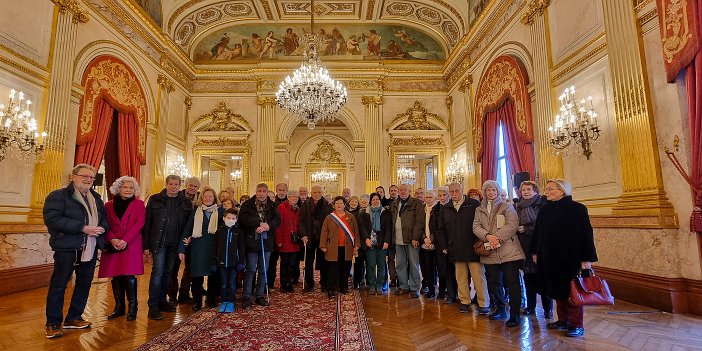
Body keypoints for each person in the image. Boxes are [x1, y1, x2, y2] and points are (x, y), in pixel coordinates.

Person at [43, 164, 108, 339]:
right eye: (84, 176)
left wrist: (101, 228)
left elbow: (103, 219)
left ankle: (74, 318)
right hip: (67, 247)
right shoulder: (58, 196)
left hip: (91, 247)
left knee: (84, 284)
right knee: (59, 286)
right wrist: (82, 228)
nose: (88, 180)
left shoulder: (96, 198)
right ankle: (53, 323)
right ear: (73, 176)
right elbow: (53, 220)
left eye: (91, 178)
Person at [533, 179, 597, 337]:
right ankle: (563, 320)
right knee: (557, 290)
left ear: (562, 191)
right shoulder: (545, 210)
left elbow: (586, 235)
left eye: (550, 189)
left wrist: (586, 258)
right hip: (550, 257)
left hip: (571, 258)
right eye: (546, 189)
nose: (546, 192)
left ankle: (576, 324)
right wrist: (535, 251)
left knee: (572, 292)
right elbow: (538, 233)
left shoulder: (578, 209)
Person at [473, 180, 524, 328]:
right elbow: (476, 226)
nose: (491, 193)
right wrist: (488, 236)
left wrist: (496, 238)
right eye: (488, 190)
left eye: (494, 190)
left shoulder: (507, 206)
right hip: (490, 252)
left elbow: (512, 225)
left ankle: (514, 314)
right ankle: (500, 309)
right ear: (484, 192)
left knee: (512, 283)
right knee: (494, 283)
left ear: (498, 191)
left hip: (509, 250)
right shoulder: (479, 209)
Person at [143, 175, 193, 320]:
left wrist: (184, 243)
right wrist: (146, 246)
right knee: (157, 272)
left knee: (169, 273)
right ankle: (153, 306)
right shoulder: (155, 199)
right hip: (159, 243)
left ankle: (162, 301)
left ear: (180, 185)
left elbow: (188, 225)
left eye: (176, 184)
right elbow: (148, 223)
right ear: (166, 184)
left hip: (175, 245)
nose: (174, 187)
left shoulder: (185, 202)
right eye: (171, 184)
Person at [437, 183, 491, 314]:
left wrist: (480, 241)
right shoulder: (446, 207)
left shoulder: (473, 204)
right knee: (460, 277)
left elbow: (482, 224)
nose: (454, 193)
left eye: (457, 191)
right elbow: (441, 229)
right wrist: (444, 245)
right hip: (455, 247)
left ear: (462, 190)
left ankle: (483, 303)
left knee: (478, 276)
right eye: (452, 191)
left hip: (473, 247)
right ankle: (464, 301)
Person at [99, 176, 145, 322]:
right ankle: (119, 307)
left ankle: (133, 307)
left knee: (129, 274)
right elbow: (104, 223)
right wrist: (112, 238)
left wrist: (125, 240)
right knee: (116, 275)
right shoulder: (108, 205)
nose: (128, 190)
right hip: (113, 243)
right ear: (118, 189)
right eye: (125, 187)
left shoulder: (139, 204)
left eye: (131, 188)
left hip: (131, 244)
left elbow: (140, 224)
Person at [179, 186, 223, 311]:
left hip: (214, 249)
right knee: (197, 277)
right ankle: (197, 301)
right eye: (205, 196)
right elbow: (187, 230)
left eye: (210, 196)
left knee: (213, 276)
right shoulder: (196, 211)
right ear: (202, 198)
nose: (208, 198)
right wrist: (181, 248)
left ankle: (210, 299)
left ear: (214, 198)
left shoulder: (220, 212)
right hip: (198, 249)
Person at [239, 183, 281, 308]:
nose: (262, 193)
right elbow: (243, 218)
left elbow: (277, 220)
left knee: (263, 270)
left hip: (266, 241)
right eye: (259, 191)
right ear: (256, 192)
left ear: (267, 192)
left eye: (264, 191)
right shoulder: (247, 204)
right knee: (251, 269)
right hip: (252, 241)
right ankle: (246, 296)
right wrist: (259, 223)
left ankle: (260, 295)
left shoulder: (273, 205)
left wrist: (268, 226)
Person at [515, 180, 552, 318]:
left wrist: (526, 229)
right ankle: (531, 307)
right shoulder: (518, 205)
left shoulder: (542, 204)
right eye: (523, 190)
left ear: (535, 191)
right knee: (528, 277)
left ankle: (547, 309)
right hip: (523, 245)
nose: (525, 192)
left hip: (539, 246)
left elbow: (543, 225)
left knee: (542, 278)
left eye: (528, 189)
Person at [320, 196, 361, 298]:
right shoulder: (329, 217)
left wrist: (356, 245)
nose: (339, 205)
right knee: (332, 269)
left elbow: (356, 231)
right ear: (334, 205)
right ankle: (331, 289)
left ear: (344, 205)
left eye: (341, 203)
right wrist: (323, 245)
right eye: (337, 203)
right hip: (333, 247)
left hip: (347, 247)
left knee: (345, 268)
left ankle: (344, 287)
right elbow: (324, 232)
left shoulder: (351, 217)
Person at [389, 184, 425, 298]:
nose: (403, 192)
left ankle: (414, 288)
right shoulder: (394, 203)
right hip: (398, 239)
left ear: (410, 190)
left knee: (414, 264)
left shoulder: (416, 203)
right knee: (400, 264)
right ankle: (403, 286)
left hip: (411, 239)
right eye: (401, 190)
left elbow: (420, 222)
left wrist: (415, 237)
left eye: (405, 189)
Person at [169, 176, 201, 304]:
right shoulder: (177, 197)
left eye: (195, 186)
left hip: (193, 238)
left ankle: (184, 294)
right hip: (177, 237)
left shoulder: (200, 199)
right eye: (190, 185)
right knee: (173, 268)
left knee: (190, 268)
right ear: (185, 185)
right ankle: (172, 295)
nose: (192, 188)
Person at [299, 184, 333, 292]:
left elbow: (330, 223)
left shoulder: (327, 205)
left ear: (322, 193)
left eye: (319, 192)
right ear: (311, 193)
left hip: (322, 238)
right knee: (308, 262)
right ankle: (309, 283)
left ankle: (324, 283)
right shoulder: (305, 204)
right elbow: (301, 221)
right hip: (309, 237)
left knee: (323, 261)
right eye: (315, 192)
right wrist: (303, 234)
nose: (317, 194)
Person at [214, 208, 246, 313]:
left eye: (233, 218)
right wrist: (214, 261)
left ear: (236, 219)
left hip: (234, 263)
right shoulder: (219, 231)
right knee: (223, 283)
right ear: (224, 218)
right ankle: (224, 301)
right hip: (222, 262)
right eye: (228, 218)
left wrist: (241, 261)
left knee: (232, 283)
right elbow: (215, 247)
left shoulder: (239, 232)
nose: (230, 220)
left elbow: (242, 248)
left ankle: (231, 301)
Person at [362, 193, 391, 295]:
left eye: (377, 199)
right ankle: (372, 285)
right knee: (370, 265)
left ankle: (379, 285)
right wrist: (366, 239)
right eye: (373, 199)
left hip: (382, 242)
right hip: (370, 242)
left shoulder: (385, 212)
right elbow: (363, 228)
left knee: (381, 265)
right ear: (370, 201)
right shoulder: (364, 212)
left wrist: (387, 241)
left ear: (380, 200)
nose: (375, 201)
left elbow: (388, 228)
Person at [275, 190, 302, 292]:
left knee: (292, 263)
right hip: (284, 239)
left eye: (296, 197)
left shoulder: (298, 209)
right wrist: (279, 240)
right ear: (288, 197)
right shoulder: (281, 207)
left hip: (294, 240)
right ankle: (283, 284)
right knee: (284, 263)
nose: (294, 199)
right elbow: (278, 225)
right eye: (292, 197)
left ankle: (289, 282)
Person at [419, 190, 438, 298]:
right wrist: (424, 238)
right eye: (426, 197)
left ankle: (435, 288)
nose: (428, 199)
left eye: (431, 197)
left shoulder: (438, 209)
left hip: (435, 242)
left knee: (434, 267)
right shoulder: (421, 209)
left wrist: (431, 239)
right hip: (423, 241)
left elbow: (439, 227)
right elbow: (419, 226)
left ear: (435, 198)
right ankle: (428, 286)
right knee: (425, 266)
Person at [348, 195, 369, 289]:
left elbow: (362, 228)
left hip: (358, 241)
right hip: (347, 241)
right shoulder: (344, 213)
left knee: (358, 263)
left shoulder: (361, 213)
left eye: (356, 202)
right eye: (352, 201)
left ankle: (357, 281)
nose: (354, 203)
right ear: (348, 202)